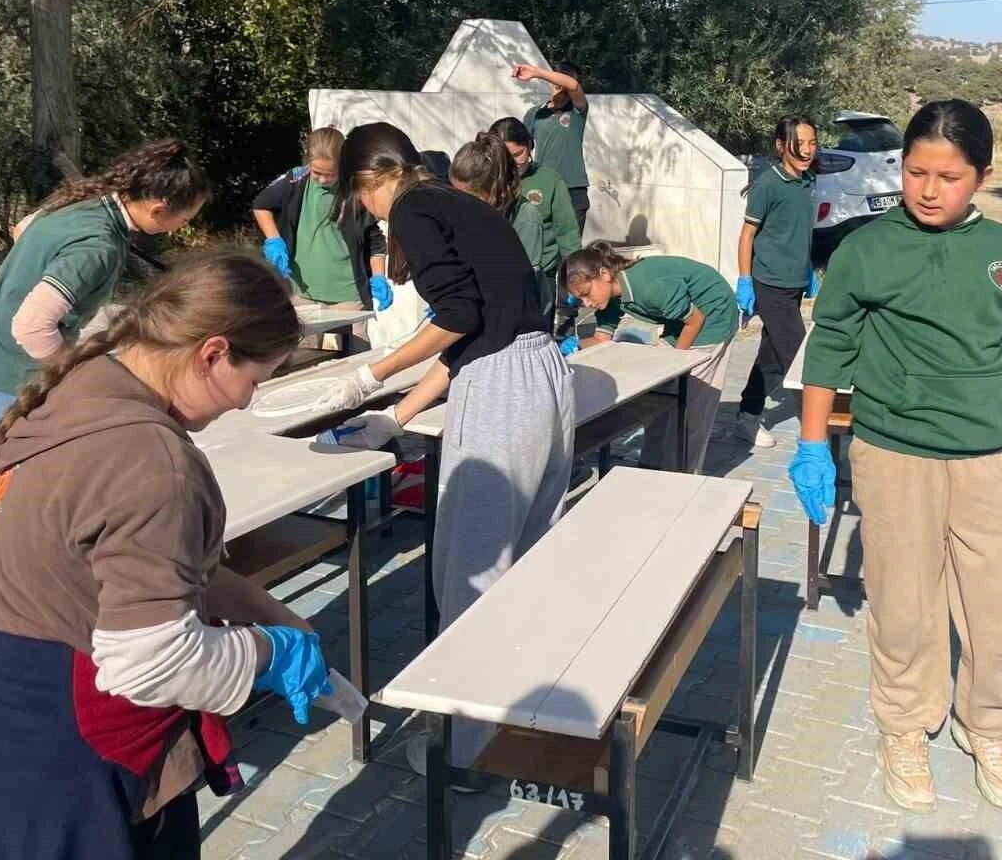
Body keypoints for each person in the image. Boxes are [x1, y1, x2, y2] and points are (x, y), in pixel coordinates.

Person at [0, 251, 335, 859]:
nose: (247, 403)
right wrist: (263, 652)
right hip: (78, 782)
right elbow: (150, 664)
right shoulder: (152, 463)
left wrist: (277, 616)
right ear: (213, 353)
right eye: (254, 381)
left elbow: (150, 569)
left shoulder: (79, 387)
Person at [792, 99, 1002, 814]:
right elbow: (828, 352)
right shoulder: (867, 249)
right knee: (906, 607)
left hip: (992, 459)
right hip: (895, 457)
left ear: (980, 174)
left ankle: (990, 727)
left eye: (948, 175)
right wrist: (813, 444)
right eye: (916, 171)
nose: (927, 189)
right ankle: (906, 728)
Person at [314, 123, 574, 771]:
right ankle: (513, 714)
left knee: (469, 570)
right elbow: (473, 332)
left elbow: (456, 317)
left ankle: (462, 749)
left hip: (503, 391)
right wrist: (394, 419)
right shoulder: (460, 203)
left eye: (360, 200)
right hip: (538, 374)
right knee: (523, 557)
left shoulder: (412, 206)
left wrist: (370, 374)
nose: (370, 215)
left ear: (367, 181)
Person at [0, 139, 211, 434]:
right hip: (7, 365)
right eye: (185, 218)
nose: (183, 225)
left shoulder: (86, 199)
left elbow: (23, 228)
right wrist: (72, 373)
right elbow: (32, 326)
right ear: (158, 210)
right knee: (15, 467)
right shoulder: (98, 248)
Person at [562, 243, 737, 475]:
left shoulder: (649, 287)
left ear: (604, 274)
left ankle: (682, 476)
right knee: (657, 395)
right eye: (580, 300)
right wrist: (573, 348)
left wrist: (677, 365)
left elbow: (695, 320)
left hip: (713, 316)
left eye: (586, 294)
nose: (586, 304)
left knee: (690, 406)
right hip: (684, 322)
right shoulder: (611, 296)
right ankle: (651, 465)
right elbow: (602, 341)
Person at [251, 126, 391, 340]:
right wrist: (274, 239)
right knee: (303, 359)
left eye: (330, 175)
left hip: (348, 296)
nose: (323, 180)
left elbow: (375, 241)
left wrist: (379, 277)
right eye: (317, 173)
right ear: (308, 163)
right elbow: (261, 205)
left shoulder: (355, 189)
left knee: (354, 355)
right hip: (302, 293)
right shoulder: (294, 181)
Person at [734, 116, 819, 449]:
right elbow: (747, 235)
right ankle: (817, 433)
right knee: (800, 357)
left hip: (793, 282)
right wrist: (744, 279)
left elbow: (798, 230)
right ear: (781, 146)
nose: (808, 150)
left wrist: (808, 270)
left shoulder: (807, 181)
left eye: (813, 142)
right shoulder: (769, 184)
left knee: (770, 357)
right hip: (768, 282)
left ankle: (747, 416)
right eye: (800, 143)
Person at [487, 117, 583, 317]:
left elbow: (566, 231)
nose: (512, 162)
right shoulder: (486, 180)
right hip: (497, 273)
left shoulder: (549, 179)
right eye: (505, 157)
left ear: (530, 145)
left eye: (518, 154)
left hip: (541, 276)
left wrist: (575, 271)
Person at [449, 133, 551, 309]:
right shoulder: (470, 214)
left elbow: (521, 284)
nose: (460, 204)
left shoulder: (526, 217)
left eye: (468, 197)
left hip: (521, 317)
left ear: (493, 190)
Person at [516, 61, 591, 232]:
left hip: (573, 189)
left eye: (562, 81)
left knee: (571, 251)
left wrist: (536, 72)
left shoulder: (577, 110)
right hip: (543, 187)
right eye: (557, 81)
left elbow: (573, 85)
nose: (559, 86)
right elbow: (522, 150)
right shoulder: (535, 113)